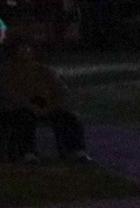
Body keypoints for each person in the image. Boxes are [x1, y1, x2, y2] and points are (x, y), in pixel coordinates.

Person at [1, 33, 88, 162]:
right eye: (22, 48)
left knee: (67, 117)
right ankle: (26, 153)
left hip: (41, 103)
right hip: (15, 107)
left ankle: (76, 151)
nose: (26, 51)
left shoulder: (43, 70)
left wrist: (51, 104)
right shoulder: (6, 71)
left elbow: (61, 90)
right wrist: (30, 105)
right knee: (23, 117)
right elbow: (10, 94)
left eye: (28, 48)